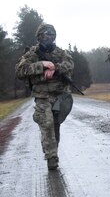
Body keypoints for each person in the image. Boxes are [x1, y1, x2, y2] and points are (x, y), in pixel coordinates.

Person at [15, 23, 74, 170]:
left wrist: (55, 68)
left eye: (52, 34)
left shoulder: (60, 53)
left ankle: (53, 151)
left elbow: (70, 64)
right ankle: (51, 157)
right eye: (46, 34)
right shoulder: (32, 54)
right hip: (42, 96)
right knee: (46, 124)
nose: (50, 37)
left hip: (60, 96)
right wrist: (41, 65)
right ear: (40, 36)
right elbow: (20, 71)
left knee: (55, 125)